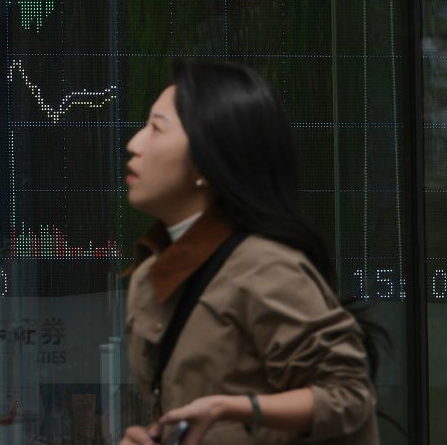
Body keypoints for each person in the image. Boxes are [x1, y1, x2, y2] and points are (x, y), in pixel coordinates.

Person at [120, 60, 380, 445]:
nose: (134, 144)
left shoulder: (264, 268)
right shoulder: (152, 274)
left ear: (205, 161)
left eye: (156, 128)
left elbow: (351, 396)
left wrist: (233, 408)